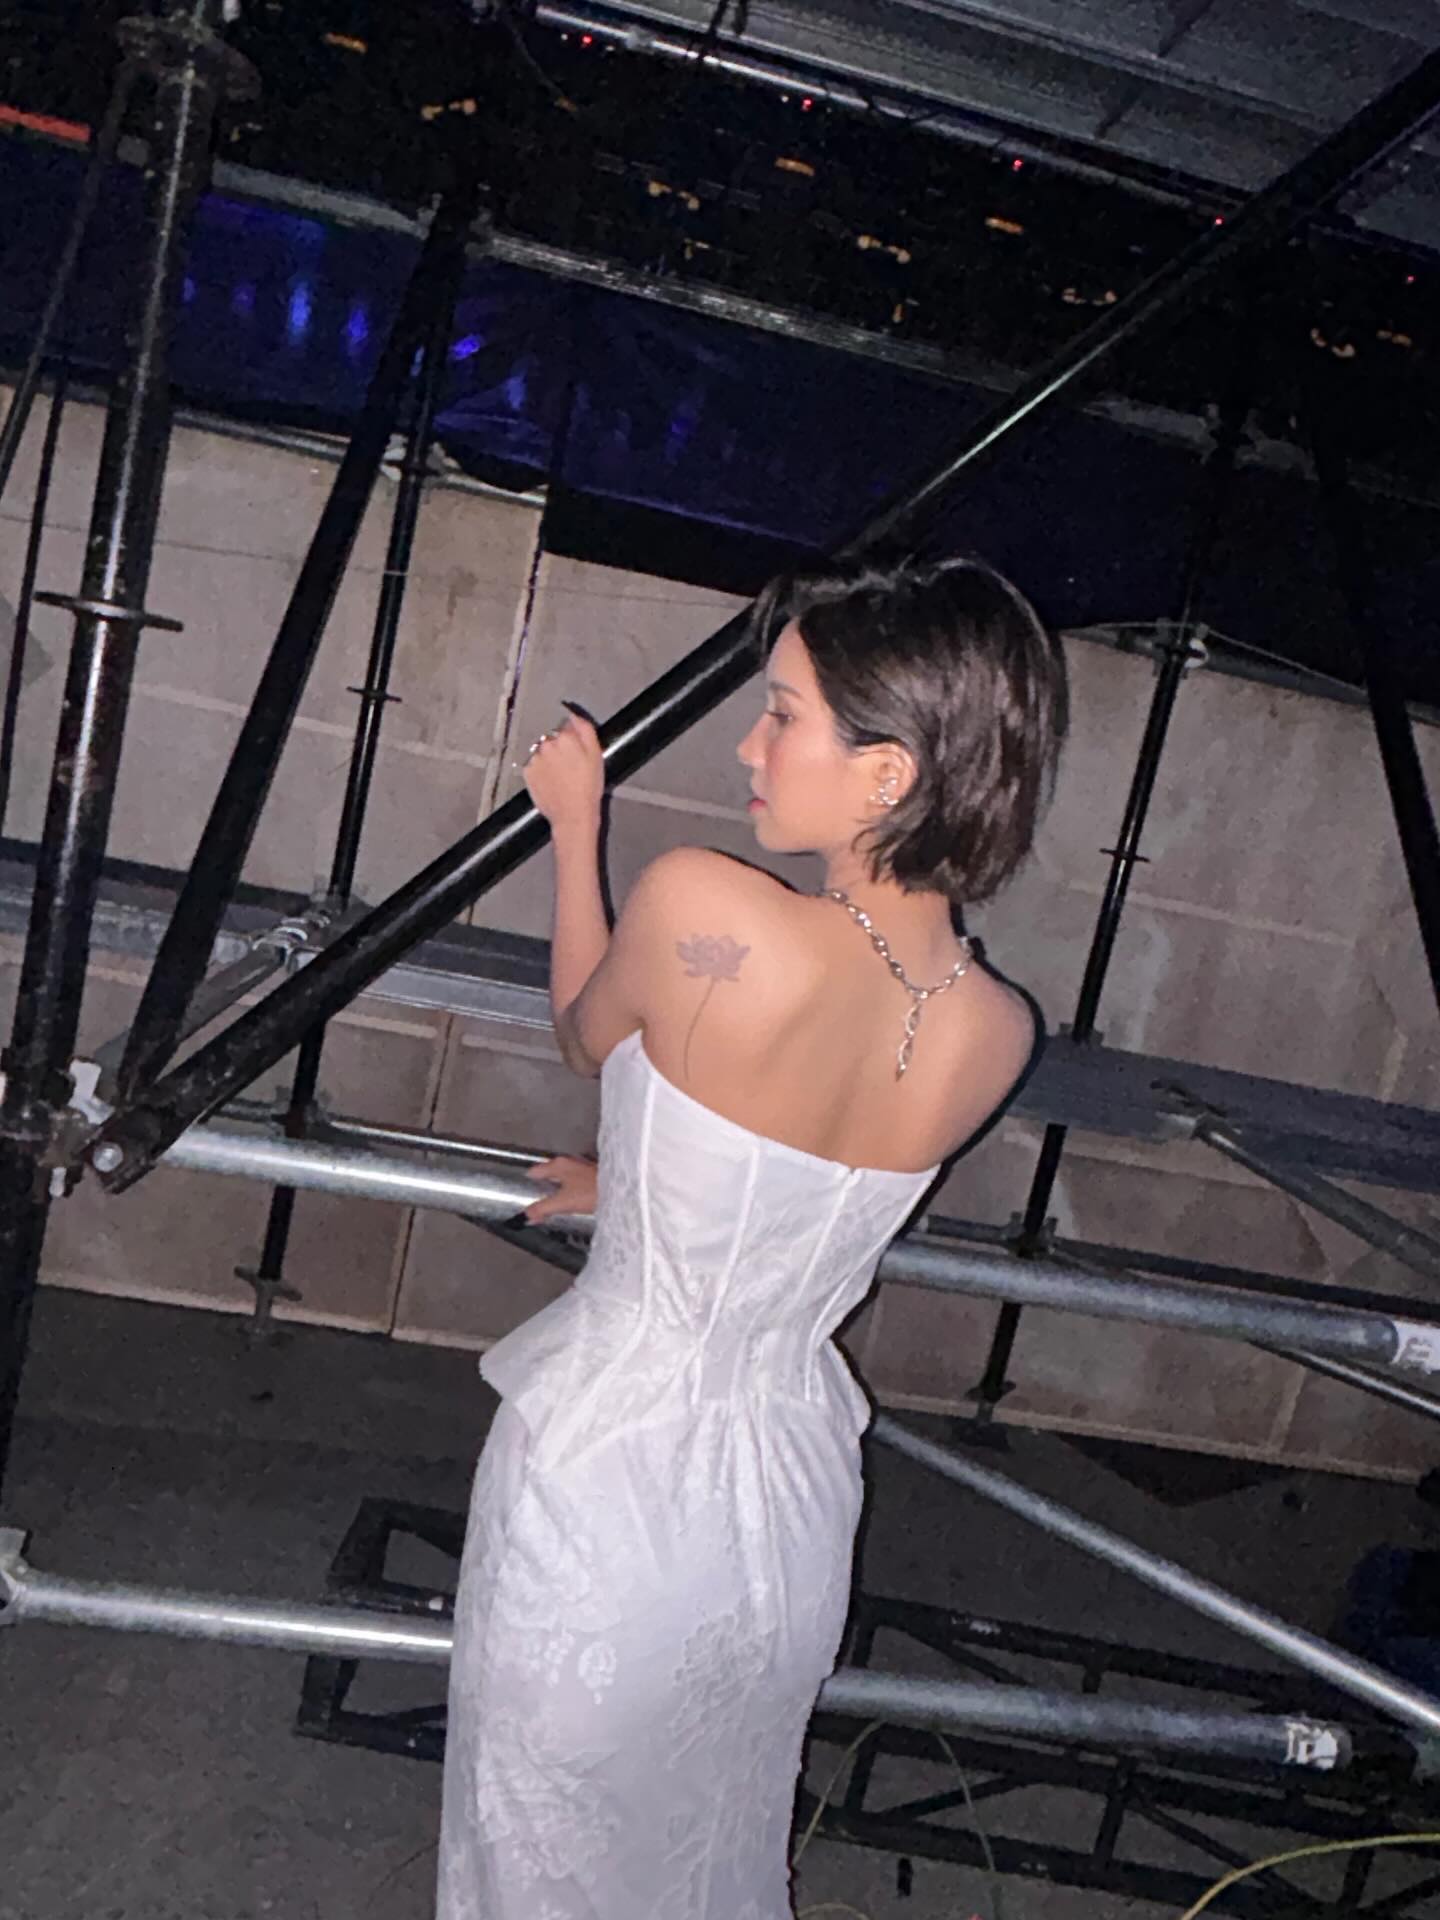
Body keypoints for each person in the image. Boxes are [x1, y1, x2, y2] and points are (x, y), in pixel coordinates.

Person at [436, 554, 1068, 1920]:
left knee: (540, 1843)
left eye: (784, 715)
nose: (749, 745)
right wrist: (641, 1187)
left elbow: (585, 1037)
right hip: (784, 1498)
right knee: (703, 1845)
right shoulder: (999, 1028)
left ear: (889, 772)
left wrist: (575, 827)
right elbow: (797, 1181)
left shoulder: (703, 906)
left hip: (613, 1468)